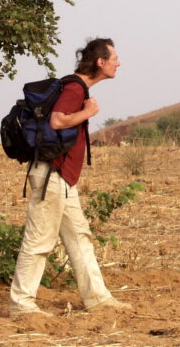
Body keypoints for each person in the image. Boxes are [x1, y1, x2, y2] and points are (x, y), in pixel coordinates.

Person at [9, 38, 132, 316]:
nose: (118, 63)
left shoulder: (75, 86)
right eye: (114, 58)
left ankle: (97, 298)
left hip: (62, 179)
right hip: (52, 176)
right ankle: (22, 304)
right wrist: (89, 112)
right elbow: (58, 120)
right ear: (100, 62)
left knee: (79, 237)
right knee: (39, 240)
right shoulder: (75, 88)